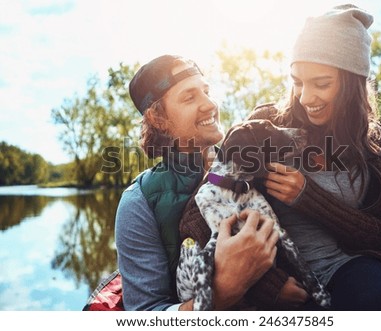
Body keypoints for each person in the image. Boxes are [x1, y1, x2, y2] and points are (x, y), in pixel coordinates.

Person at [180, 4, 381, 310]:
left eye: (321, 84)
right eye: (297, 82)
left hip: (361, 271)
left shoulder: (374, 143)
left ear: (352, 83)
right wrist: (267, 286)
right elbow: (199, 210)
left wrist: (309, 197)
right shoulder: (266, 125)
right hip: (296, 281)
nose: (306, 97)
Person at [114, 55, 279, 311]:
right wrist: (224, 290)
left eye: (206, 91)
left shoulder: (250, 162)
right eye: (190, 97)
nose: (210, 104)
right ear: (158, 118)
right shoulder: (138, 203)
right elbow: (145, 313)